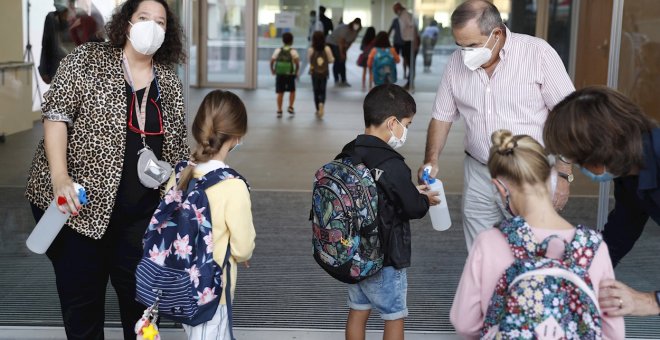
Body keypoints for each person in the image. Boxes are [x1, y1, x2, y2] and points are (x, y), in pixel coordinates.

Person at [25, 0, 189, 339]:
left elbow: (177, 154)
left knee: (141, 314)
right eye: (144, 18)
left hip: (141, 222)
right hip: (78, 215)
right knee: (82, 311)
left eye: (160, 22)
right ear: (126, 23)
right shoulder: (86, 61)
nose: (151, 27)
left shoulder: (169, 85)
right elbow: (56, 117)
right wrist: (60, 178)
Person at [419, 0, 575, 249]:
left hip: (530, 175)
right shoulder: (455, 64)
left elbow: (569, 116)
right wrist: (432, 159)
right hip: (479, 173)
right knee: (481, 254)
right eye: (460, 46)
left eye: (472, 46)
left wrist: (564, 174)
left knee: (532, 250)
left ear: (497, 33)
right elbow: (442, 116)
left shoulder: (538, 54)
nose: (465, 54)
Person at [450, 129, 625, 339]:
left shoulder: (488, 242)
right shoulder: (593, 246)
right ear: (551, 175)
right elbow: (614, 333)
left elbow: (465, 324)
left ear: (499, 187)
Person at [541, 86, 660, 316]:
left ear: (601, 149)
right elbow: (620, 234)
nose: (578, 167)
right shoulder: (630, 175)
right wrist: (574, 273)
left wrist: (649, 301)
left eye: (577, 160)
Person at [342, 84, 438, 340]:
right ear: (392, 122)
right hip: (386, 257)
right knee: (394, 315)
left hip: (354, 253)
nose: (406, 130)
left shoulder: (348, 152)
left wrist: (408, 191)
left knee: (358, 311)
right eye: (407, 123)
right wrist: (425, 199)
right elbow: (413, 207)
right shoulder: (392, 163)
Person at [176, 90, 256, 339]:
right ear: (236, 137)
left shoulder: (181, 173)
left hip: (179, 283)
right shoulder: (232, 185)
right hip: (213, 292)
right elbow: (242, 249)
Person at [326, 18, 362, 87]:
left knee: (343, 61)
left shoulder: (355, 32)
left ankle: (343, 80)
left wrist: (345, 52)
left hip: (341, 44)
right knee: (337, 60)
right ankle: (336, 80)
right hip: (333, 43)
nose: (356, 26)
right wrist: (342, 53)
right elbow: (340, 42)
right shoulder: (345, 29)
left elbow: (350, 43)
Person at [270, 32, 300, 117]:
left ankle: (279, 110)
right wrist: (296, 72)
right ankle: (290, 107)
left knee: (280, 92)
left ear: (283, 41)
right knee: (292, 91)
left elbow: (272, 61)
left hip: (280, 74)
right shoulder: (293, 51)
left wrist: (273, 70)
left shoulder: (278, 50)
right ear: (292, 41)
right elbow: (297, 63)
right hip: (290, 74)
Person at [308, 31, 334, 118]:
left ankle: (317, 109)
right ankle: (321, 103)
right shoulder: (327, 48)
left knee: (316, 91)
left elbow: (309, 60)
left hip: (314, 73)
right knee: (323, 90)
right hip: (324, 73)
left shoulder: (311, 49)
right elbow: (331, 60)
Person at [391, 2, 416, 89]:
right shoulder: (401, 16)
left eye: (395, 10)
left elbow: (411, 25)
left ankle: (410, 83)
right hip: (405, 41)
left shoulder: (405, 15)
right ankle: (409, 82)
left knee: (410, 63)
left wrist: (413, 39)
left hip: (409, 41)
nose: (394, 12)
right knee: (408, 61)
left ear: (398, 8)